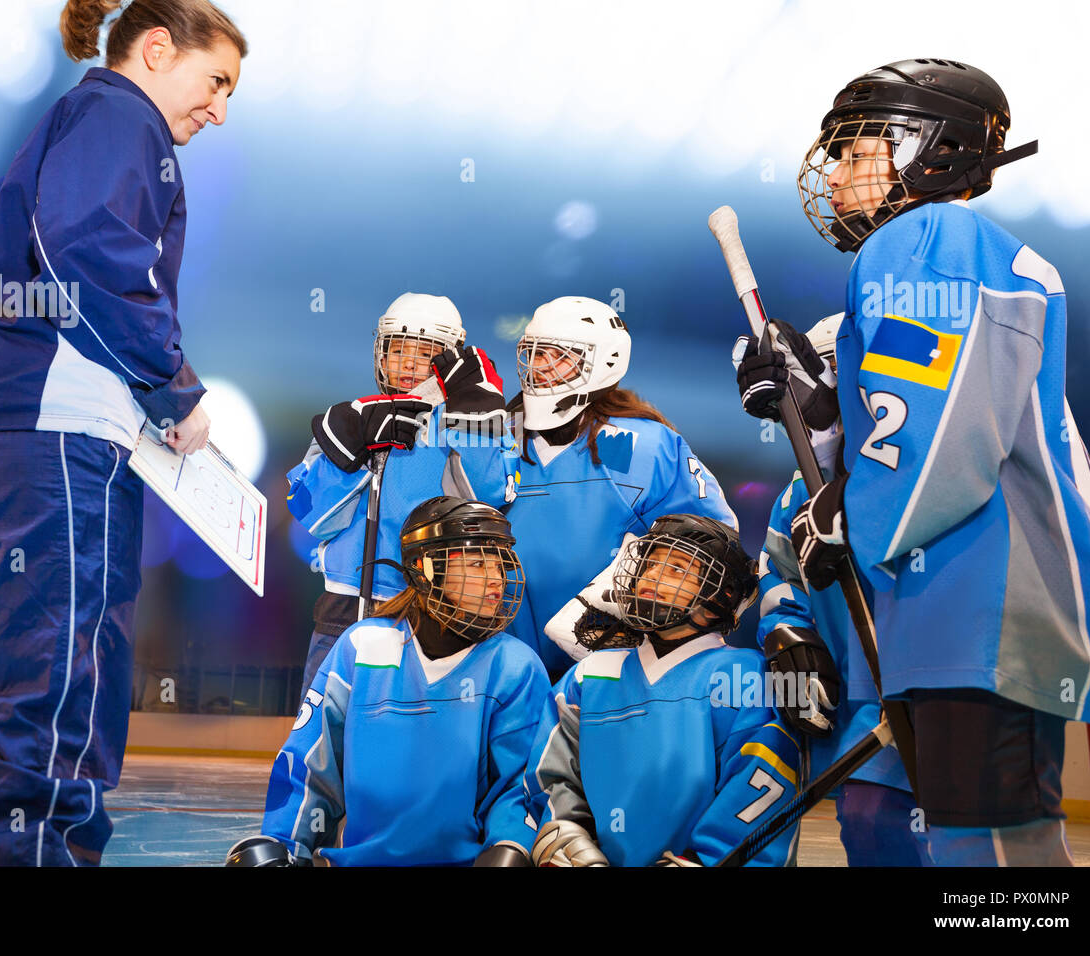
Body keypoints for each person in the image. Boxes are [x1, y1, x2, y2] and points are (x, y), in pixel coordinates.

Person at [0, 0, 247, 866]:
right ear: (157, 49)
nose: (221, 110)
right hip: (47, 437)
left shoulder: (58, 132)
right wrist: (172, 387)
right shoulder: (121, 115)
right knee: (54, 700)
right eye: (218, 81)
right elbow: (89, 243)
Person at [775, 58, 1090, 865]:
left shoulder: (929, 235)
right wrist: (819, 410)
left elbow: (940, 433)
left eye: (861, 153)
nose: (837, 180)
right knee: (975, 842)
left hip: (982, 592)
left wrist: (845, 517)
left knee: (991, 853)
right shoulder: (943, 249)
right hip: (959, 595)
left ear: (934, 149)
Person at [229, 497, 549, 866]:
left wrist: (509, 847)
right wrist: (286, 846)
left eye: (499, 564)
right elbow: (309, 766)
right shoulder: (362, 646)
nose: (496, 579)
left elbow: (518, 787)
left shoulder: (516, 666)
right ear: (423, 569)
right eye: (477, 564)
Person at [742, 314, 929, 866]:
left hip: (945, 696)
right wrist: (787, 636)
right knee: (872, 827)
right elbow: (779, 577)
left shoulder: (928, 468)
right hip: (862, 711)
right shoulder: (798, 492)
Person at [524, 515, 800, 867]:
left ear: (723, 594)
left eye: (677, 569)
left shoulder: (748, 677)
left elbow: (761, 787)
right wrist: (570, 840)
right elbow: (551, 777)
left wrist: (704, 859)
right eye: (651, 563)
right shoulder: (589, 675)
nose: (653, 576)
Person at [287, 293, 518, 696]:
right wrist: (353, 448)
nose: (409, 363)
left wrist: (476, 414)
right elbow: (311, 514)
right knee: (320, 736)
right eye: (398, 350)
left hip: (430, 608)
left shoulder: (462, 425)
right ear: (380, 353)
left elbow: (489, 497)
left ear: (450, 360)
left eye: (425, 352)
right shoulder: (356, 417)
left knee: (408, 732)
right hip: (342, 612)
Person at [505, 296, 737, 681]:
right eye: (536, 353)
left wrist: (608, 601)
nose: (542, 367)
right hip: (500, 665)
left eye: (560, 356)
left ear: (603, 363)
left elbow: (713, 545)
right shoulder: (497, 438)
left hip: (608, 670)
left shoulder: (643, 444)